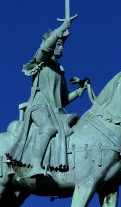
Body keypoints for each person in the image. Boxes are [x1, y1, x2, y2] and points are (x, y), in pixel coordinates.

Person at [7, 19, 88, 177]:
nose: (62, 47)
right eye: (59, 44)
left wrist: (80, 91)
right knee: (48, 128)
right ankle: (36, 165)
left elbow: (63, 99)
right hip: (39, 106)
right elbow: (45, 48)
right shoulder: (41, 61)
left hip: (56, 111)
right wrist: (61, 29)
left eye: (62, 44)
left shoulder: (59, 70)